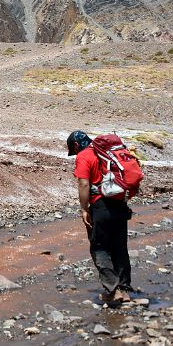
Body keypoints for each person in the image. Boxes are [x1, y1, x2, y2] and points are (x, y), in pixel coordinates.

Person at [67, 130, 133, 303]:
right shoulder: (107, 153)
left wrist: (83, 209)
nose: (75, 154)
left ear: (75, 145)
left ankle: (112, 291)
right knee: (119, 247)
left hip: (101, 206)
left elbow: (83, 183)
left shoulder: (84, 156)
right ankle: (125, 291)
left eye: (73, 150)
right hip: (120, 204)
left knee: (99, 247)